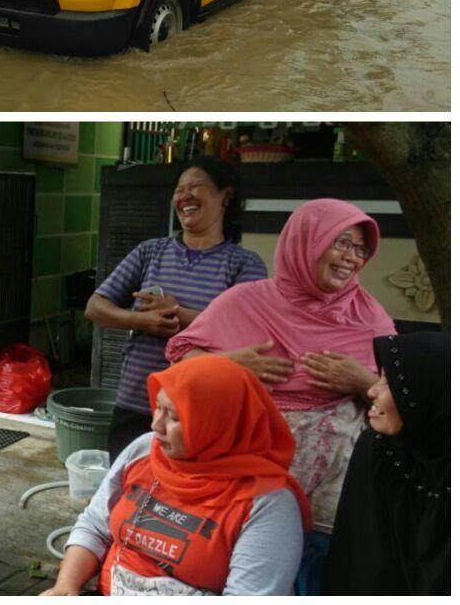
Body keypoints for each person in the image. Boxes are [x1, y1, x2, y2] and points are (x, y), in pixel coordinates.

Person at [166, 198, 395, 594]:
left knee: (312, 575)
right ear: (306, 241)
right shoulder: (246, 301)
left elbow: (401, 400)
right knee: (243, 568)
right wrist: (231, 365)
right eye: (341, 242)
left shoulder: (369, 316)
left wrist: (361, 380)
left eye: (361, 248)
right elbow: (181, 364)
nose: (351, 258)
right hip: (246, 475)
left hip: (332, 490)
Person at [42, 355, 310, 595]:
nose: (155, 424)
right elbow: (95, 525)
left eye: (174, 417)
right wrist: (66, 586)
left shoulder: (267, 503)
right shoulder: (145, 449)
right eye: (158, 407)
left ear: (215, 425)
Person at [84, 156, 267, 459]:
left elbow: (249, 335)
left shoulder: (244, 264)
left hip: (201, 408)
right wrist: (141, 321)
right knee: (127, 492)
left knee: (184, 498)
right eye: (179, 190)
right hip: (137, 399)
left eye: (195, 187)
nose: (184, 197)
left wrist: (177, 313)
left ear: (226, 196)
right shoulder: (150, 251)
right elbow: (95, 306)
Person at [323, 332, 450, 595]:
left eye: (389, 383)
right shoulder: (378, 450)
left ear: (430, 390)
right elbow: (357, 566)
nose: (371, 391)